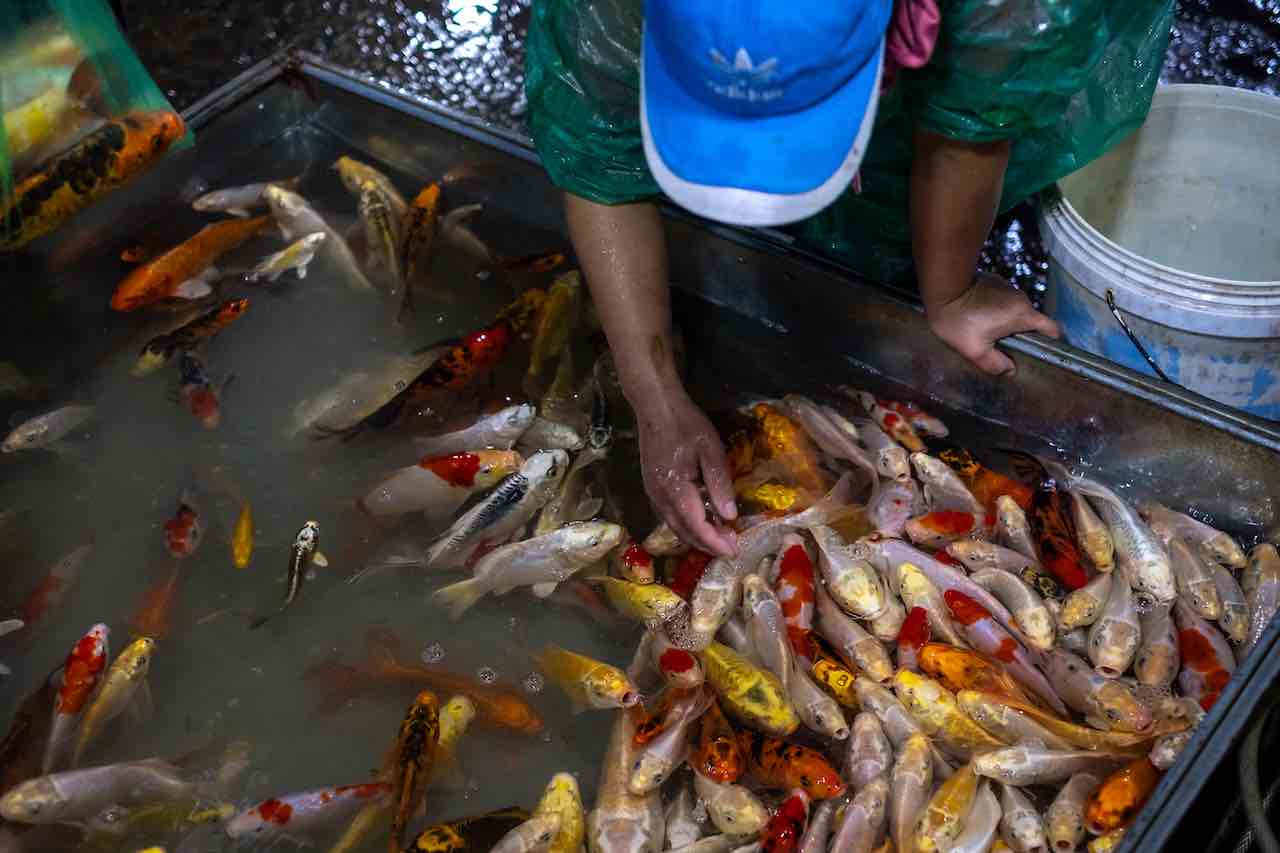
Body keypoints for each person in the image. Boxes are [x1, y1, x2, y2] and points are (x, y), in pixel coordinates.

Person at [525, 0, 1174, 557]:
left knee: (932, 144)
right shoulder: (607, 13)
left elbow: (974, 114)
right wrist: (655, 397)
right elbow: (596, 143)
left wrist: (949, 291)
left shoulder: (1008, 11)